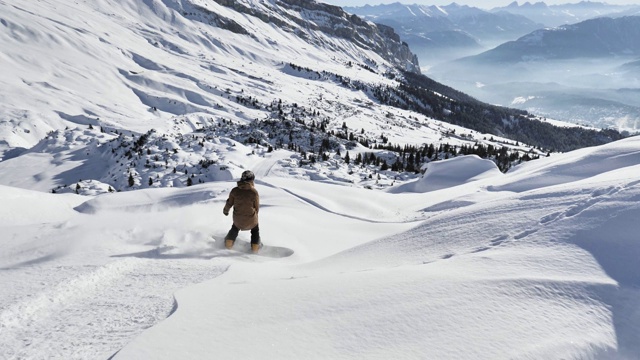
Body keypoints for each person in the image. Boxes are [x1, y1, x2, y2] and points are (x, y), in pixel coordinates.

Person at [223, 170, 261, 253]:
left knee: (235, 228)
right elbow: (257, 207)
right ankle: (255, 247)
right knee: (255, 230)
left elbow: (229, 203)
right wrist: (254, 216)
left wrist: (226, 211)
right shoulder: (254, 192)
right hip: (251, 219)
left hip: (237, 219)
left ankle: (228, 243)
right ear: (251, 180)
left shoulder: (235, 191)